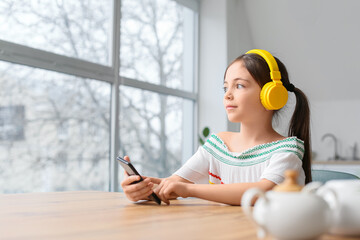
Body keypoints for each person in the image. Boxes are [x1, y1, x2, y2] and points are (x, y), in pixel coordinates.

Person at [121, 49, 311, 206]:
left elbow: (260, 192)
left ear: (272, 95)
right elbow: (173, 184)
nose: (227, 95)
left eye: (239, 86)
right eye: (225, 87)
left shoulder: (286, 151)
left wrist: (188, 190)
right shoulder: (218, 145)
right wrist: (143, 189)